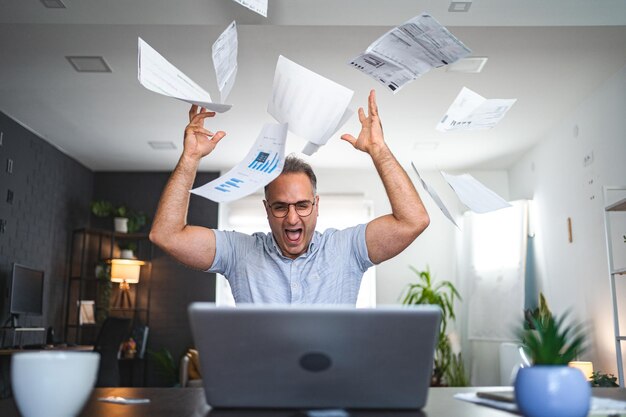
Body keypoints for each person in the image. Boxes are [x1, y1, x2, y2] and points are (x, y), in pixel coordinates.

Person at [150, 89, 430, 304]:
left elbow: (413, 220)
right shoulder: (238, 253)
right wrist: (189, 158)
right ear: (267, 209)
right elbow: (166, 235)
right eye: (281, 207)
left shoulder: (348, 249)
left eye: (303, 205)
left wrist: (379, 150)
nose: (292, 217)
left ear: (316, 205)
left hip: (331, 381)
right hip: (263, 380)